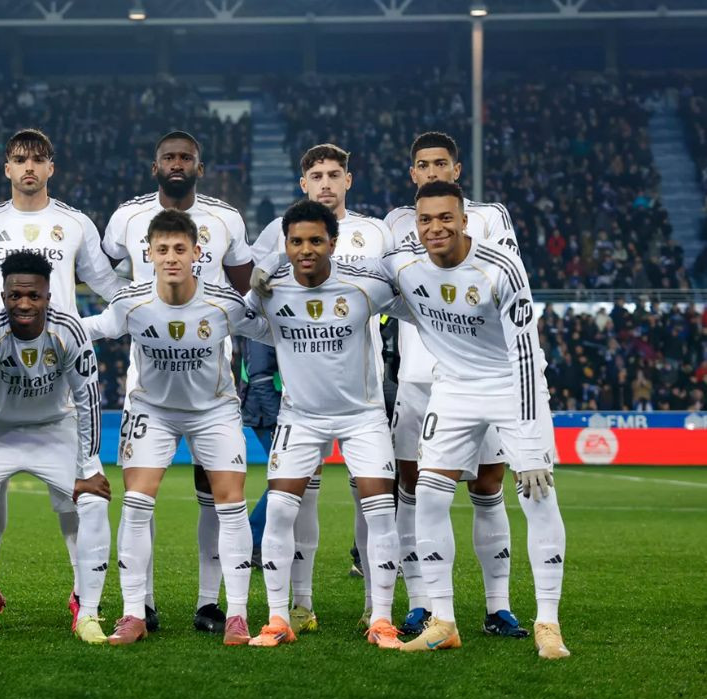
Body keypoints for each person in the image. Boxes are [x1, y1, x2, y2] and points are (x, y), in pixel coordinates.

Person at [380, 181, 569, 659]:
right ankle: (443, 621)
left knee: (537, 493)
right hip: (454, 388)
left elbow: (525, 354)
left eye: (446, 218)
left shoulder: (500, 266)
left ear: (465, 220)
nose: (435, 227)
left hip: (512, 384)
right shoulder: (404, 266)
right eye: (426, 220)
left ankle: (548, 622)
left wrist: (530, 442)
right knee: (428, 495)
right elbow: (357, 282)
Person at [0, 129, 125, 633]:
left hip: (58, 388)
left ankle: (83, 600)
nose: (28, 167)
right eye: (19, 159)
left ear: (51, 167)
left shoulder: (74, 224)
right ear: (6, 168)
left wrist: (82, 329)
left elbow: (114, 295)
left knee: (75, 500)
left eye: (37, 159)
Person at [83, 209, 267, 646]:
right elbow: (95, 328)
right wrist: (46, 328)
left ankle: (237, 615)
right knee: (136, 503)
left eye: (179, 249)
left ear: (197, 253)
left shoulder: (223, 303)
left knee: (230, 504)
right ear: (148, 253)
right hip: (153, 411)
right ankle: (133, 613)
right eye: (162, 249)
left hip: (214, 411)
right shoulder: (130, 301)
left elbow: (269, 331)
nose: (171, 257)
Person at [383, 131, 528, 638]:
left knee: (488, 487)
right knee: (412, 488)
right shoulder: (394, 224)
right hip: (417, 378)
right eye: (423, 165)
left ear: (457, 170)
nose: (432, 171)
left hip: (479, 378)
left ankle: (498, 607)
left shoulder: (490, 217)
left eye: (440, 163)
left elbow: (501, 279)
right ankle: (421, 604)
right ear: (412, 173)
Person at [245, 199, 404, 649]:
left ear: (333, 243)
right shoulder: (271, 291)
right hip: (300, 417)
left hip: (362, 416)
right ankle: (278, 619)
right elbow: (237, 317)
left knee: (379, 511)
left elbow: (411, 294)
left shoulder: (363, 286)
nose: (306, 250)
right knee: (280, 511)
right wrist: (262, 273)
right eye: (295, 242)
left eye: (316, 240)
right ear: (285, 245)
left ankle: (382, 619)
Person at [0, 251, 110, 644]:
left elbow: (88, 399)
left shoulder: (70, 330)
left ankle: (88, 611)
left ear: (48, 296)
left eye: (33, 295)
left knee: (93, 501)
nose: (24, 304)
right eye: (15, 296)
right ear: (3, 296)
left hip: (54, 430)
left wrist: (89, 467)